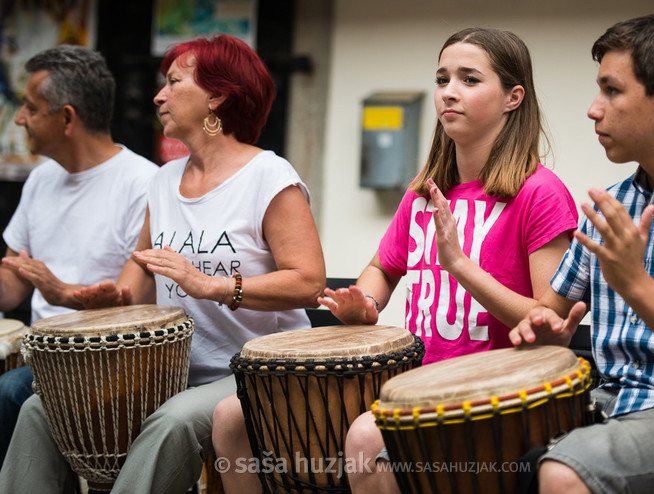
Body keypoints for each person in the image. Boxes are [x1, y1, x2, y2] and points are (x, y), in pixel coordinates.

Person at [0, 34, 325, 493]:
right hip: (169, 371)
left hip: (254, 371)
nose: (159, 95)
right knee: (41, 409)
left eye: (173, 82)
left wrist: (210, 286)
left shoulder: (268, 176)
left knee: (170, 423)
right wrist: (88, 297)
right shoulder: (164, 180)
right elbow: (135, 291)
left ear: (218, 95)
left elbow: (308, 282)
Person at [317, 28, 578, 493]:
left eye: (470, 79)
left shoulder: (540, 194)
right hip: (415, 381)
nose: (448, 92)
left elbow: (550, 318)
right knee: (241, 417)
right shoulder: (425, 189)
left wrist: (459, 263)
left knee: (362, 437)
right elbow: (382, 267)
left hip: (498, 393)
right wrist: (365, 305)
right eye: (442, 79)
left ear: (513, 98)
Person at [508, 10, 654, 494]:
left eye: (612, 90)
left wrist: (636, 286)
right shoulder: (617, 203)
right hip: (607, 404)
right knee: (407, 450)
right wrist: (542, 333)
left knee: (565, 472)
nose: (594, 108)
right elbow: (548, 313)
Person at [0, 45, 157, 469]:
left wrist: (61, 291)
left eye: (30, 108)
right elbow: (11, 285)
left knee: (10, 391)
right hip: (42, 354)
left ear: (67, 117)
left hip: (107, 362)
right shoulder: (40, 179)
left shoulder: (143, 183)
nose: (19, 119)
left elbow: (130, 305)